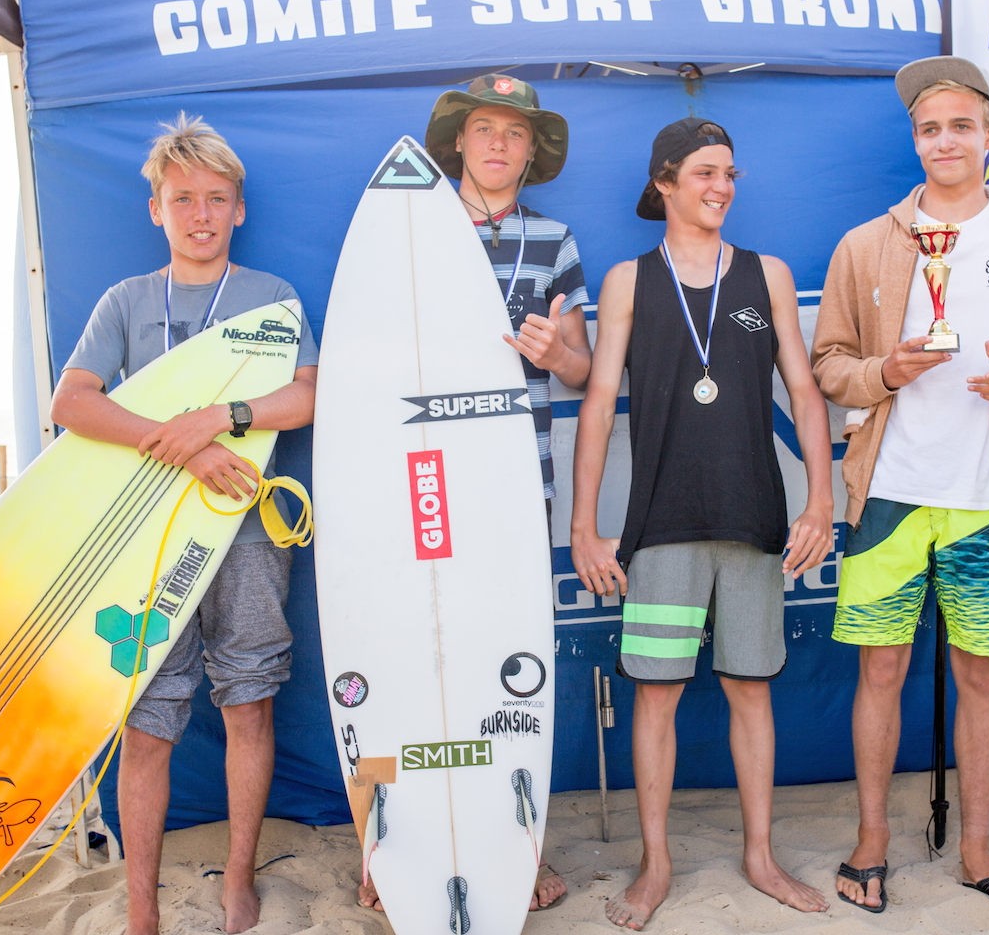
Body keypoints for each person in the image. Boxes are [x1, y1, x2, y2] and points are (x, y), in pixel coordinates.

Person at [812, 56, 989, 917]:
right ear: (916, 141)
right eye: (929, 128)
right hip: (888, 496)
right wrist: (884, 372)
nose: (944, 140)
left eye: (960, 125)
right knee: (881, 674)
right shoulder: (866, 243)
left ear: (988, 135)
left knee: (980, 680)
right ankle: (869, 845)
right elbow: (828, 366)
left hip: (983, 500)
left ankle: (976, 850)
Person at [50, 114, 319, 935]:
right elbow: (72, 403)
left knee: (248, 704)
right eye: (182, 200)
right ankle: (140, 904)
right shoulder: (128, 301)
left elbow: (310, 393)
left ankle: (238, 880)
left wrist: (221, 415)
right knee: (146, 722)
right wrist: (183, 450)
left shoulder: (270, 297)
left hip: (244, 537)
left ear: (238, 209)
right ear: (156, 210)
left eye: (216, 199)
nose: (200, 215)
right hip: (148, 541)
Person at [573, 116, 836, 930]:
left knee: (750, 690)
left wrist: (820, 500)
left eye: (729, 174)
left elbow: (803, 389)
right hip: (661, 522)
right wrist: (587, 527)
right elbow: (595, 405)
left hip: (755, 516)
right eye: (703, 174)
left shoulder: (766, 276)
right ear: (665, 182)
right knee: (656, 696)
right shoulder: (628, 280)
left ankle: (759, 855)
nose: (720, 187)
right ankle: (656, 866)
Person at [356, 73, 590, 914]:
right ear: (458, 140)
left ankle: (517, 851)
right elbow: (362, 360)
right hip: (404, 486)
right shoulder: (401, 227)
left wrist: (552, 355)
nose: (498, 143)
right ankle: (382, 853)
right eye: (484, 128)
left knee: (507, 666)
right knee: (393, 653)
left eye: (515, 133)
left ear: (532, 151)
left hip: (507, 488)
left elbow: (581, 365)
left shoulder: (554, 238)